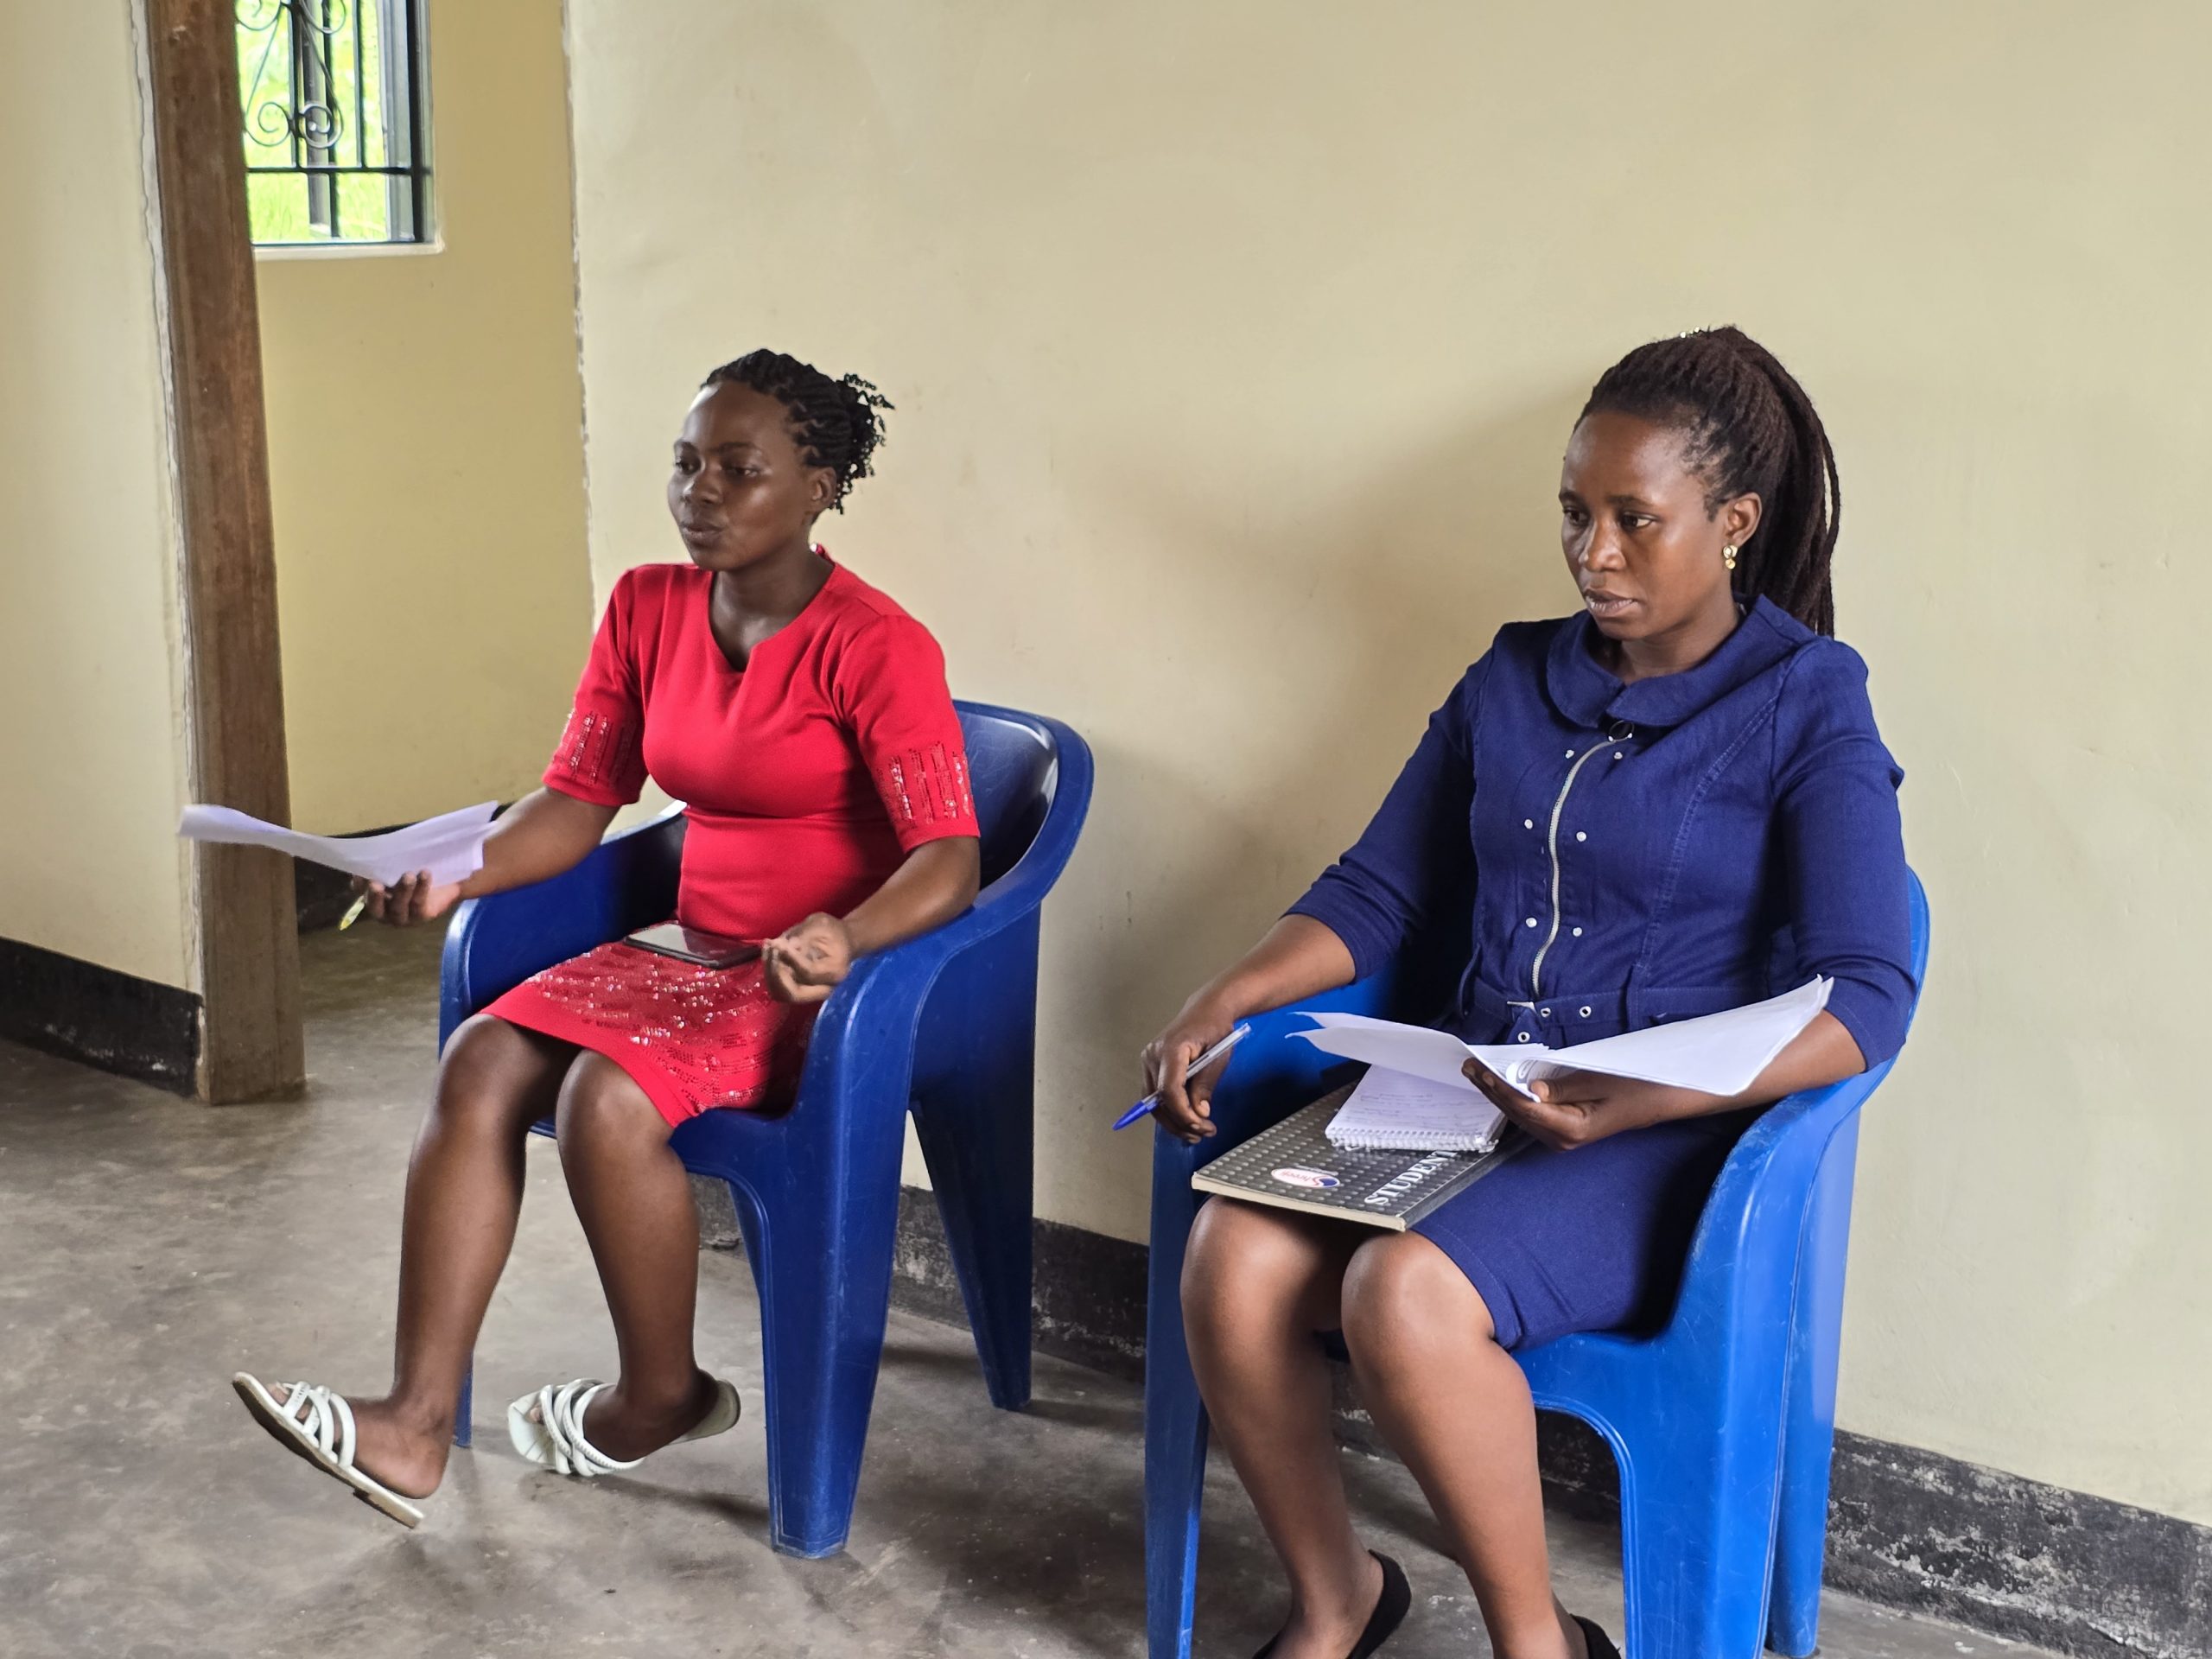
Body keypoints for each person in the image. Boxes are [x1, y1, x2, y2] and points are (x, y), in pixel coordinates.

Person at [1142, 327, 1915, 1659]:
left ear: (1733, 522)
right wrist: (1228, 995)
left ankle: (1539, 1644)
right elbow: (1377, 891)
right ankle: (1339, 1600)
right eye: (1574, 513)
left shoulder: (1806, 700)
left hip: (1657, 1138)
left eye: (1634, 519)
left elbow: (1869, 995)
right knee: (1231, 1254)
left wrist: (1632, 1099)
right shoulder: (1509, 676)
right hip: (1466, 1093)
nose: (1593, 553)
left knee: (1403, 1296)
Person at [232, 350, 982, 1528]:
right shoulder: (646, 607)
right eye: (686, 464)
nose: (700, 492)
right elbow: (577, 802)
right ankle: (413, 1425)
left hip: (816, 979)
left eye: (738, 469)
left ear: (819, 487)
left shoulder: (877, 644)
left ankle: (659, 1393)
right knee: (481, 1058)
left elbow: (949, 856)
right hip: (692, 952)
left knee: (605, 1097)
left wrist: (845, 937)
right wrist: (459, 871)